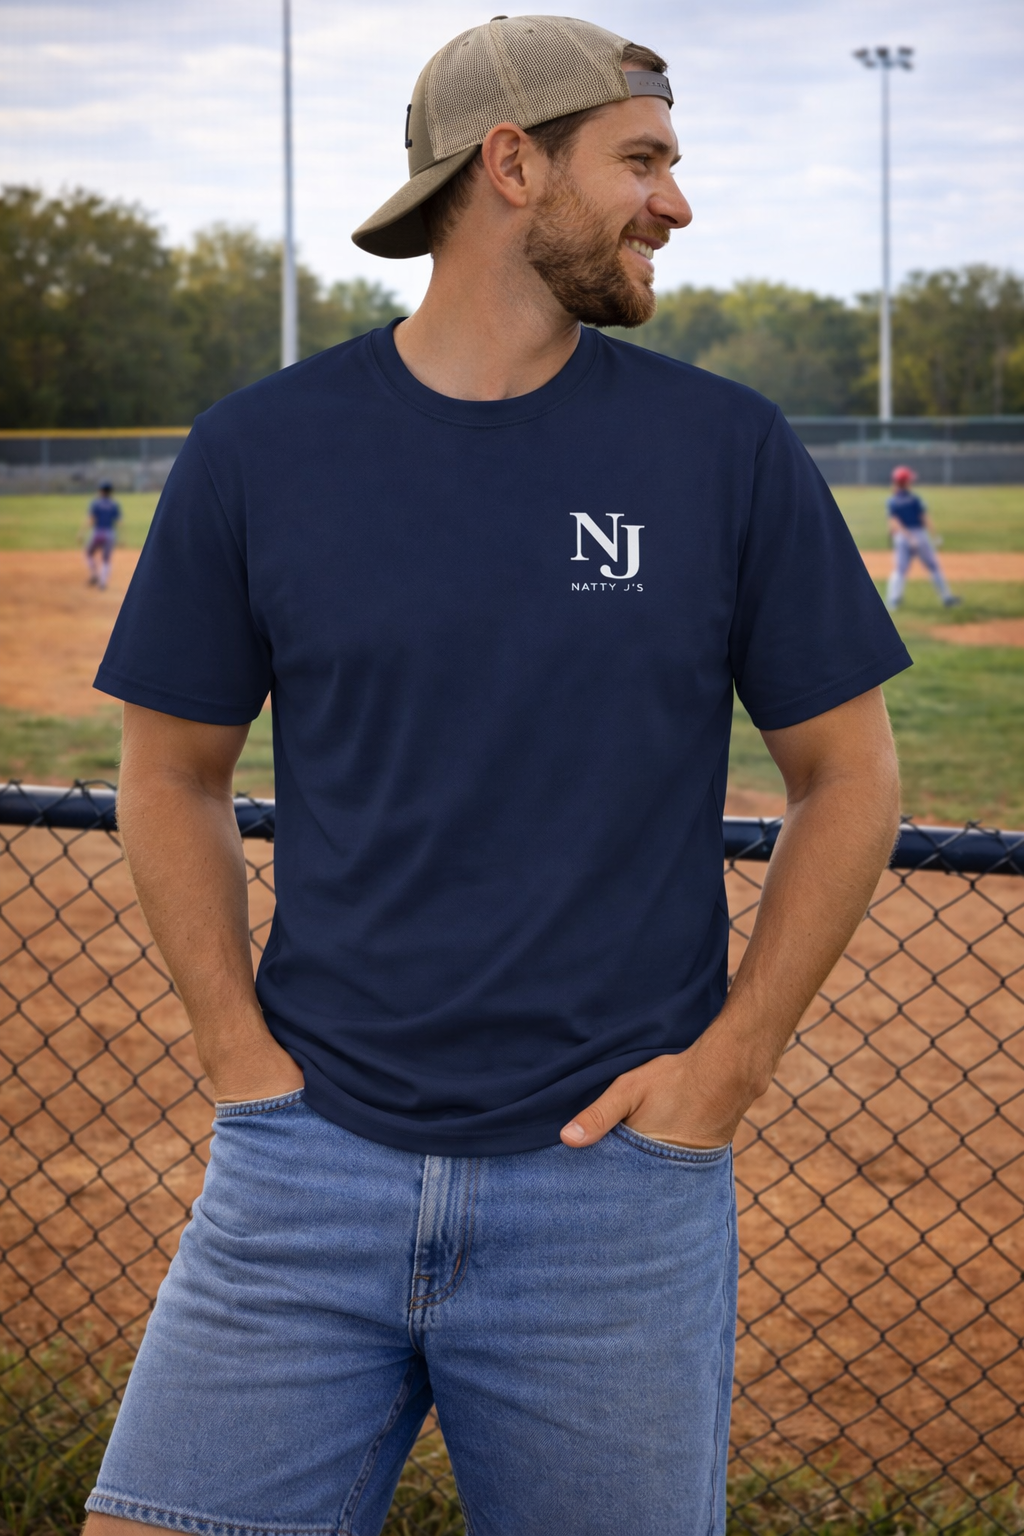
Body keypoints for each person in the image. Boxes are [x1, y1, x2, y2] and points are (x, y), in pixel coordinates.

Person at [84, 17, 911, 1536]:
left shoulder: (723, 449)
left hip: (613, 1193)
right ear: (513, 165)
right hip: (301, 1171)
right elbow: (171, 771)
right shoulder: (260, 449)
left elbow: (849, 777)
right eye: (642, 160)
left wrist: (725, 1075)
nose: (674, 201)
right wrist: (237, 1063)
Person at [885, 464, 960, 610]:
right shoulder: (914, 499)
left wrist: (901, 536)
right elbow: (924, 518)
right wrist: (935, 536)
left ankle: (893, 601)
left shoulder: (892, 501)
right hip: (918, 535)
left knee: (899, 570)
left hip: (901, 537)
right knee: (933, 567)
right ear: (906, 482)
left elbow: (893, 523)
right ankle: (946, 598)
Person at [83, 480, 122, 590]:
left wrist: (82, 533)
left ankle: (95, 574)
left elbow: (91, 520)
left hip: (97, 532)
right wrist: (122, 537)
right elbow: (119, 522)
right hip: (110, 533)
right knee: (106, 559)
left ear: (101, 491)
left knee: (88, 553)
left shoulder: (95, 503)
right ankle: (102, 583)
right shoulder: (114, 504)